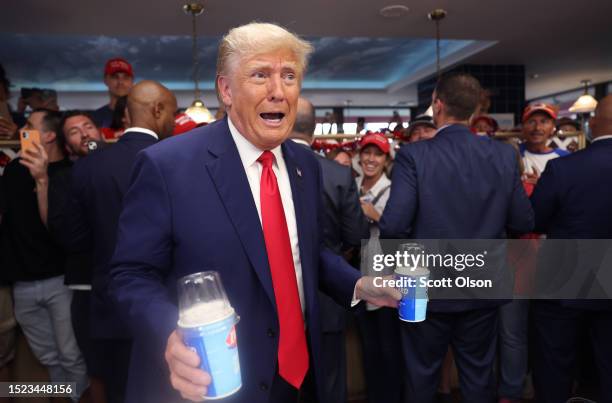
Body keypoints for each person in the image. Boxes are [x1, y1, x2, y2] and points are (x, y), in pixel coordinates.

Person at [108, 23, 398, 403]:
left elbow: (305, 251)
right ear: (226, 90)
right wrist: (169, 334)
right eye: (261, 75)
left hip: (296, 381)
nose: (278, 91)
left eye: (289, 76)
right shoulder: (167, 166)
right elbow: (131, 275)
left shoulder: (305, 166)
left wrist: (358, 285)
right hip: (212, 381)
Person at [379, 73, 534, 403]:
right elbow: (523, 220)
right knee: (478, 378)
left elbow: (393, 226)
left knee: (421, 377)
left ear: (437, 105)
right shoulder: (504, 156)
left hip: (423, 285)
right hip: (482, 283)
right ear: (476, 109)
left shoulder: (414, 155)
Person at [61, 81, 177, 403]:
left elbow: (75, 240)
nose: (175, 120)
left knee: (112, 390)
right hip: (164, 306)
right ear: (157, 110)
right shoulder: (175, 160)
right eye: (174, 112)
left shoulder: (88, 167)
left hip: (108, 304)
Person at [0, 108, 88, 401]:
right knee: (48, 356)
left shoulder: (70, 174)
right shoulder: (13, 171)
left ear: (48, 135)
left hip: (59, 281)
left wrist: (41, 179)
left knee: (70, 354)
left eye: (28, 125)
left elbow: (58, 230)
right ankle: (62, 398)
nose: (21, 130)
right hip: (22, 283)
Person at [529, 95, 612, 403]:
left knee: (554, 365)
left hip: (565, 278)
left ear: (591, 125)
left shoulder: (563, 168)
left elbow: (534, 219)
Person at [289, 97, 368, 403]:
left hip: (284, 297)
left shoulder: (267, 169)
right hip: (330, 295)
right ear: (314, 129)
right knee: (331, 381)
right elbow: (356, 233)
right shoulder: (337, 174)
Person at [355, 132, 404, 403]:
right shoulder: (350, 186)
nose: (371, 159)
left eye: (378, 154)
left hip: (385, 278)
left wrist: (377, 215)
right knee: (368, 346)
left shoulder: (393, 190)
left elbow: (400, 231)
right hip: (357, 277)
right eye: (367, 153)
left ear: (386, 160)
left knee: (388, 347)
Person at [520, 103, 569, 183]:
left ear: (553, 127)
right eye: (531, 122)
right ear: (523, 127)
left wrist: (542, 185)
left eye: (544, 122)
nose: (537, 128)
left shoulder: (564, 157)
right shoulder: (512, 155)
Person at [92, 58, 134, 128]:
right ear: (105, 80)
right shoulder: (95, 117)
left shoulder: (143, 116)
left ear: (132, 81)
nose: (120, 82)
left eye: (125, 77)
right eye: (115, 77)